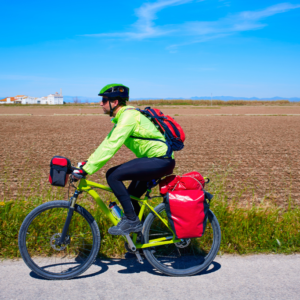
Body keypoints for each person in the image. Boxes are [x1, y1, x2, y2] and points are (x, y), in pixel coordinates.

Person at [72, 83, 175, 236]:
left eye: (104, 100)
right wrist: (87, 163)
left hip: (160, 160)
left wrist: (87, 170)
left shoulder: (128, 117)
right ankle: (142, 239)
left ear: (115, 102)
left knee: (112, 175)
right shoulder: (123, 118)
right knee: (132, 197)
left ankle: (132, 221)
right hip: (157, 160)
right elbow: (107, 143)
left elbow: (112, 146)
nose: (101, 103)